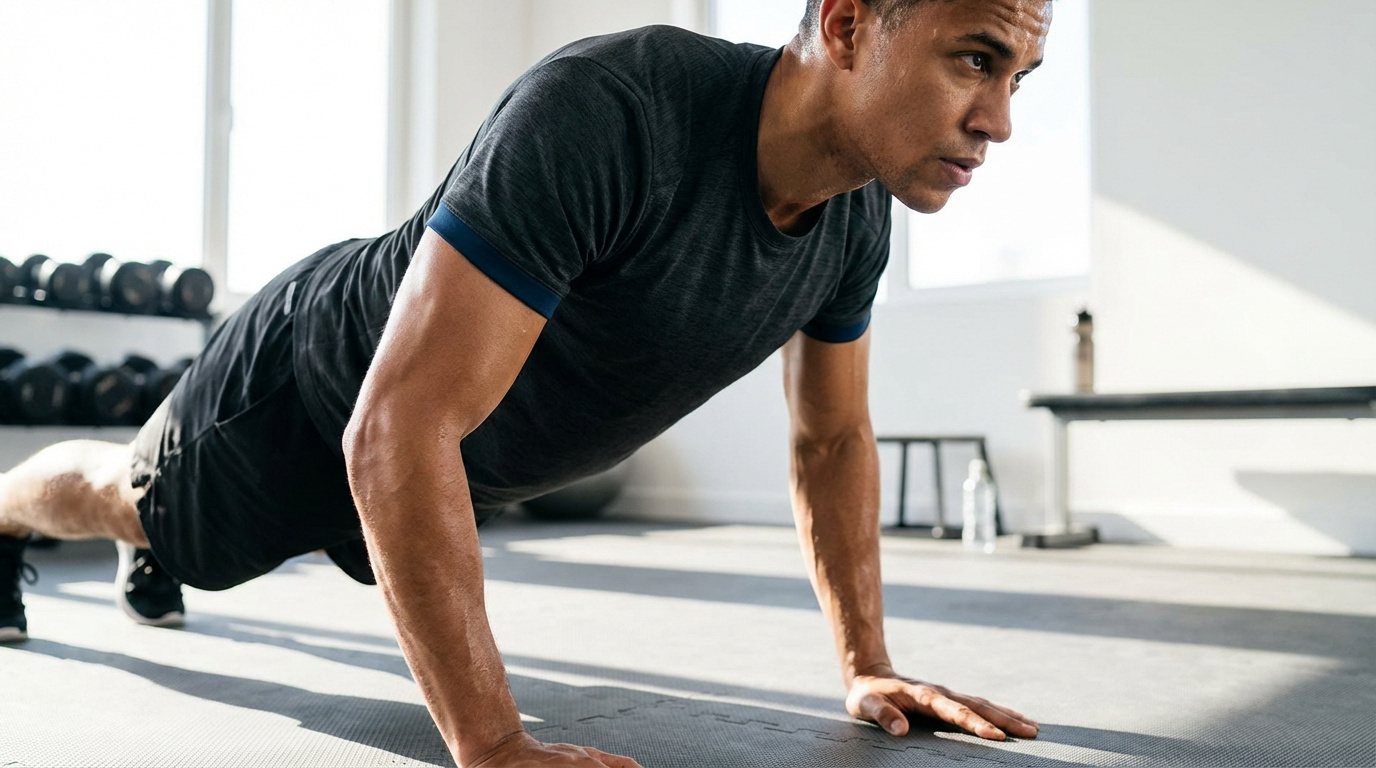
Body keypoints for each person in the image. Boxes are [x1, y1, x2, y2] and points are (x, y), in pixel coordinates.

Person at [0, 0, 1051, 764]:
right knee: (130, 505)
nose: (998, 119)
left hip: (437, 457)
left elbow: (830, 440)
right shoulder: (611, 112)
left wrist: (864, 662)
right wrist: (493, 746)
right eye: (973, 58)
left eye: (1016, 79)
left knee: (245, 529)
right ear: (848, 22)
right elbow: (392, 428)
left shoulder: (855, 216)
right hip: (308, 393)